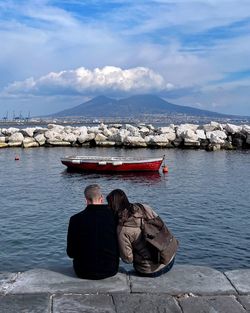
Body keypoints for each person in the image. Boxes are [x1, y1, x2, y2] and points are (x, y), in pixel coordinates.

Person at [106, 189, 176, 277]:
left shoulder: (122, 229)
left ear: (113, 206)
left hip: (150, 270)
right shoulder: (144, 207)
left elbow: (128, 259)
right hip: (170, 258)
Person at [67, 184, 119, 279]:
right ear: (102, 198)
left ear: (86, 200)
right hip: (110, 269)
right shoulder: (114, 216)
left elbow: (71, 253)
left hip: (83, 271)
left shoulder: (75, 219)